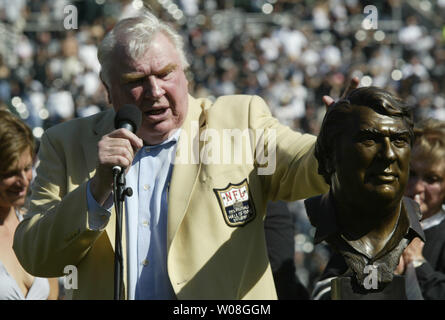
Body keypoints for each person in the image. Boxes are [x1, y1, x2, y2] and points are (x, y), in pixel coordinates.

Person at [12, 9, 349, 300]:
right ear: (107, 88)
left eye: (165, 74)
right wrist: (96, 191)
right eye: (136, 79)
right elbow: (35, 256)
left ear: (186, 75)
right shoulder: (67, 144)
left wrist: (340, 143)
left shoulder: (240, 122)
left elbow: (303, 164)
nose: (154, 91)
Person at [306, 87, 424, 299]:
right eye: (369, 140)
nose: (388, 154)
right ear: (330, 157)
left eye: (399, 140)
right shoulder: (307, 220)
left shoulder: (422, 230)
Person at [0, 109, 58, 300]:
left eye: (27, 168)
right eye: (11, 172)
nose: (24, 180)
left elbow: (53, 292)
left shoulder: (34, 224)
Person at [400, 118, 445, 299]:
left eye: (431, 178)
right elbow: (327, 289)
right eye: (411, 174)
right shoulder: (372, 226)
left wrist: (418, 264)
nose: (417, 187)